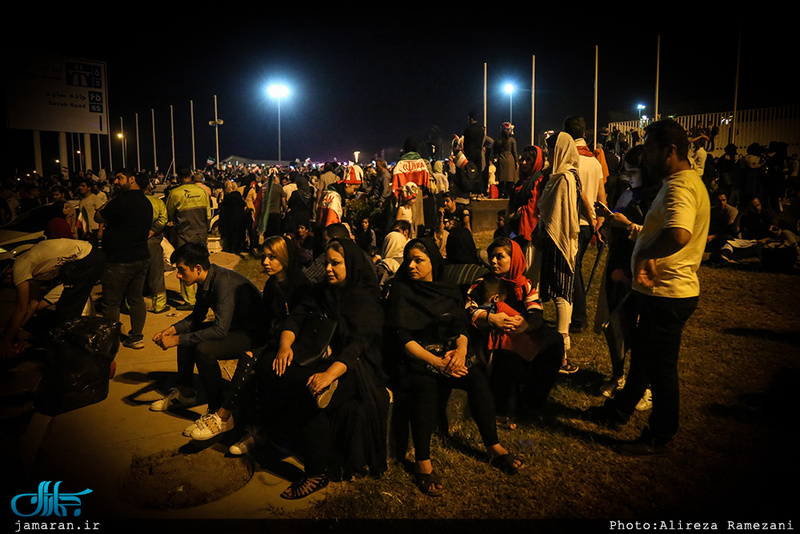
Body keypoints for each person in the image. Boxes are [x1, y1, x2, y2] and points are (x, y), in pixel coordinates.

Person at [591, 119, 710, 455]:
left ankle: (660, 434)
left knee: (661, 368)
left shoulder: (680, 188)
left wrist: (644, 257)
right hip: (661, 291)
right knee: (643, 358)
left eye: (649, 148)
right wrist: (633, 230)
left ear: (670, 151)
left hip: (669, 292)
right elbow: (663, 229)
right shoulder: (680, 183)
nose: (644, 157)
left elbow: (678, 234)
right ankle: (619, 411)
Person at [385, 238, 523, 496]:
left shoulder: (446, 288)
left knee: (477, 379)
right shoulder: (402, 290)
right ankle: (423, 462)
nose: (412, 265)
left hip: (447, 355)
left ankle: (494, 447)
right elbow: (403, 338)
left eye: (418, 260)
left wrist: (459, 352)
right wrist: (435, 362)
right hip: (416, 359)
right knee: (424, 388)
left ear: (433, 262)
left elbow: (459, 325)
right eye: (409, 260)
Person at [268, 238, 390, 498]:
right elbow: (297, 317)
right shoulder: (323, 291)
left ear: (352, 264)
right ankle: (275, 437)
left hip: (357, 367)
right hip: (326, 357)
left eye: (336, 264)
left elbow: (359, 345)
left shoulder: (364, 297)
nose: (329, 269)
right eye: (327, 263)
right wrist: (285, 345)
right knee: (278, 374)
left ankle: (316, 472)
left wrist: (329, 374)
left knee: (309, 396)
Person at [150, 242, 268, 439]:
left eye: (181, 270)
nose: (178, 275)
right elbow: (197, 317)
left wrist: (179, 339)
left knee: (205, 350)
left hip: (253, 334)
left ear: (197, 268)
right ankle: (186, 392)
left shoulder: (223, 282)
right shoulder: (206, 280)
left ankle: (218, 413)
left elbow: (220, 330)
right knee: (187, 338)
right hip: (235, 328)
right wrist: (172, 330)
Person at [465, 237, 563, 426]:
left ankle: (533, 401)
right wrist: (492, 318)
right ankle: (503, 409)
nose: (493, 261)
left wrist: (526, 324)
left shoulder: (524, 285)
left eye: (500, 257)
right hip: (489, 337)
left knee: (554, 342)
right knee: (507, 353)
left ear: (514, 259)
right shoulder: (483, 283)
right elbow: (469, 309)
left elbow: (536, 313)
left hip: (520, 334)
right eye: (492, 257)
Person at [594, 145, 660, 398]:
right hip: (617, 269)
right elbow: (614, 234)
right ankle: (618, 374)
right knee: (616, 325)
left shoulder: (659, 198)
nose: (629, 176)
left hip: (643, 273)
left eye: (633, 171)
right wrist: (608, 223)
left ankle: (644, 384)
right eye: (626, 170)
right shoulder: (627, 195)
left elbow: (660, 239)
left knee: (642, 332)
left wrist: (630, 225)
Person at [535, 132, 589, 373]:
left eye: (551, 149)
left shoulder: (566, 178)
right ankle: (559, 347)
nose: (548, 153)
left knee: (562, 290)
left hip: (560, 239)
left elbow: (561, 215)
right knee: (558, 288)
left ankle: (561, 346)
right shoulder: (560, 176)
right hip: (552, 239)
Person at [0, 239, 104, 359]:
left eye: (6, 281)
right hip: (88, 258)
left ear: (8, 272)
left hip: (87, 259)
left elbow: (21, 309)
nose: (9, 285)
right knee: (66, 310)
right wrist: (15, 328)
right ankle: (73, 352)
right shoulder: (30, 268)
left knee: (67, 313)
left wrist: (7, 341)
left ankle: (72, 356)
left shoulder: (19, 267)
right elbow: (33, 305)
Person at [95, 169, 153, 350]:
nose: (116, 182)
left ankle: (110, 342)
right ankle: (136, 337)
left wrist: (109, 201)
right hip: (141, 257)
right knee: (136, 299)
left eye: (120, 178)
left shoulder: (118, 202)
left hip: (119, 260)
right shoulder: (146, 202)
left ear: (132, 179)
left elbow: (97, 217)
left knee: (111, 302)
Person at [563, 116, 607, 334]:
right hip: (588, 224)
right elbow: (602, 197)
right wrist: (597, 226)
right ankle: (575, 314)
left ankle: (578, 317)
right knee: (575, 268)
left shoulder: (569, 161)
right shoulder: (595, 162)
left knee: (573, 269)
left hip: (571, 222)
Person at [166, 166, 211, 309]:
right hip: (201, 232)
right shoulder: (202, 191)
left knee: (185, 265)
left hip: (185, 234)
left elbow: (169, 213)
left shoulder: (175, 193)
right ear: (191, 175)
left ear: (177, 176)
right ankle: (205, 293)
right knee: (202, 263)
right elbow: (208, 214)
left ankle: (190, 300)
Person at [143, 179, 169, 314]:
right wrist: (153, 231)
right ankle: (159, 305)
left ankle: (130, 305)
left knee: (134, 274)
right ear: (149, 187)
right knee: (156, 273)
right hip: (153, 242)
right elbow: (163, 219)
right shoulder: (157, 202)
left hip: (133, 243)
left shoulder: (129, 202)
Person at [218, 179, 247, 254]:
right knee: (238, 233)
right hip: (238, 217)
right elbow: (242, 204)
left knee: (230, 233)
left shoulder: (227, 196)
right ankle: (238, 248)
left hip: (229, 217)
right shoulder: (237, 195)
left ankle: (231, 248)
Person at [493, 122, 518, 199]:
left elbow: (494, 151)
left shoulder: (498, 140)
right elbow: (515, 152)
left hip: (501, 159)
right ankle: (508, 195)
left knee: (501, 179)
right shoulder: (512, 140)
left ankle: (500, 194)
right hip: (510, 160)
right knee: (509, 180)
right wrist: (516, 161)